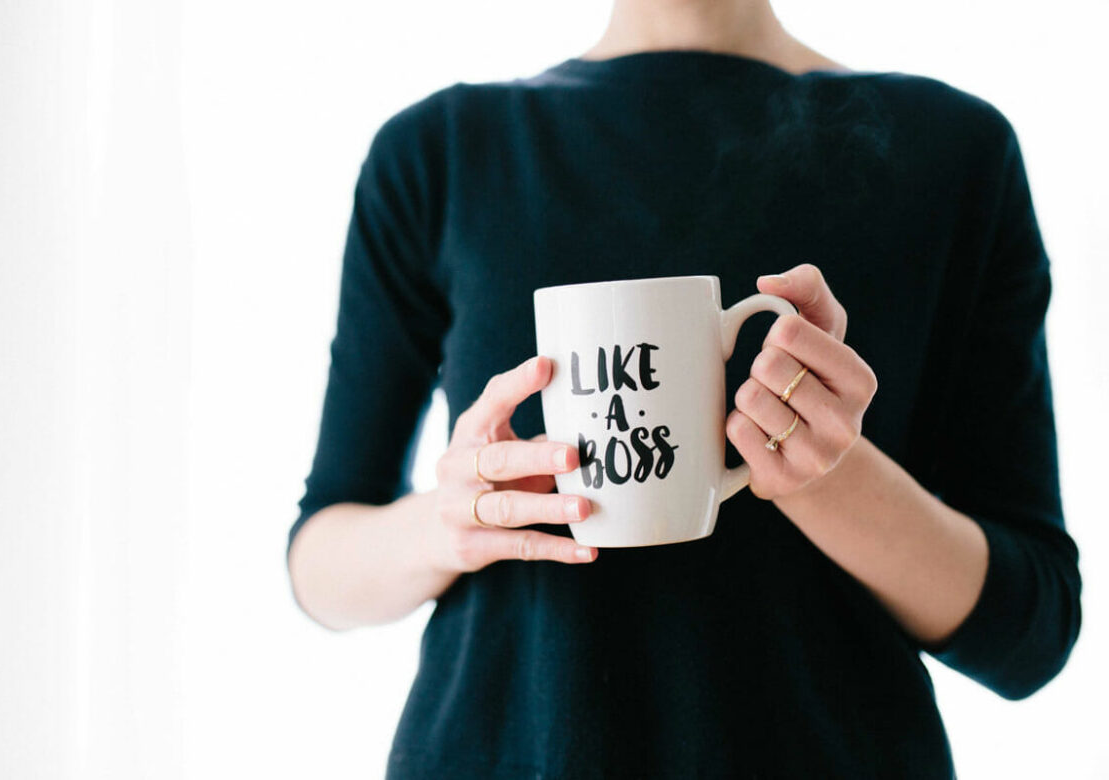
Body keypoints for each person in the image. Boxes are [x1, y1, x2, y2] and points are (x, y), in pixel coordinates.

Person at [285, 0, 1083, 776]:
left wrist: (829, 477)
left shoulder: (953, 152)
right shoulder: (441, 152)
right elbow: (319, 564)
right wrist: (450, 522)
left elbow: (1031, 632)